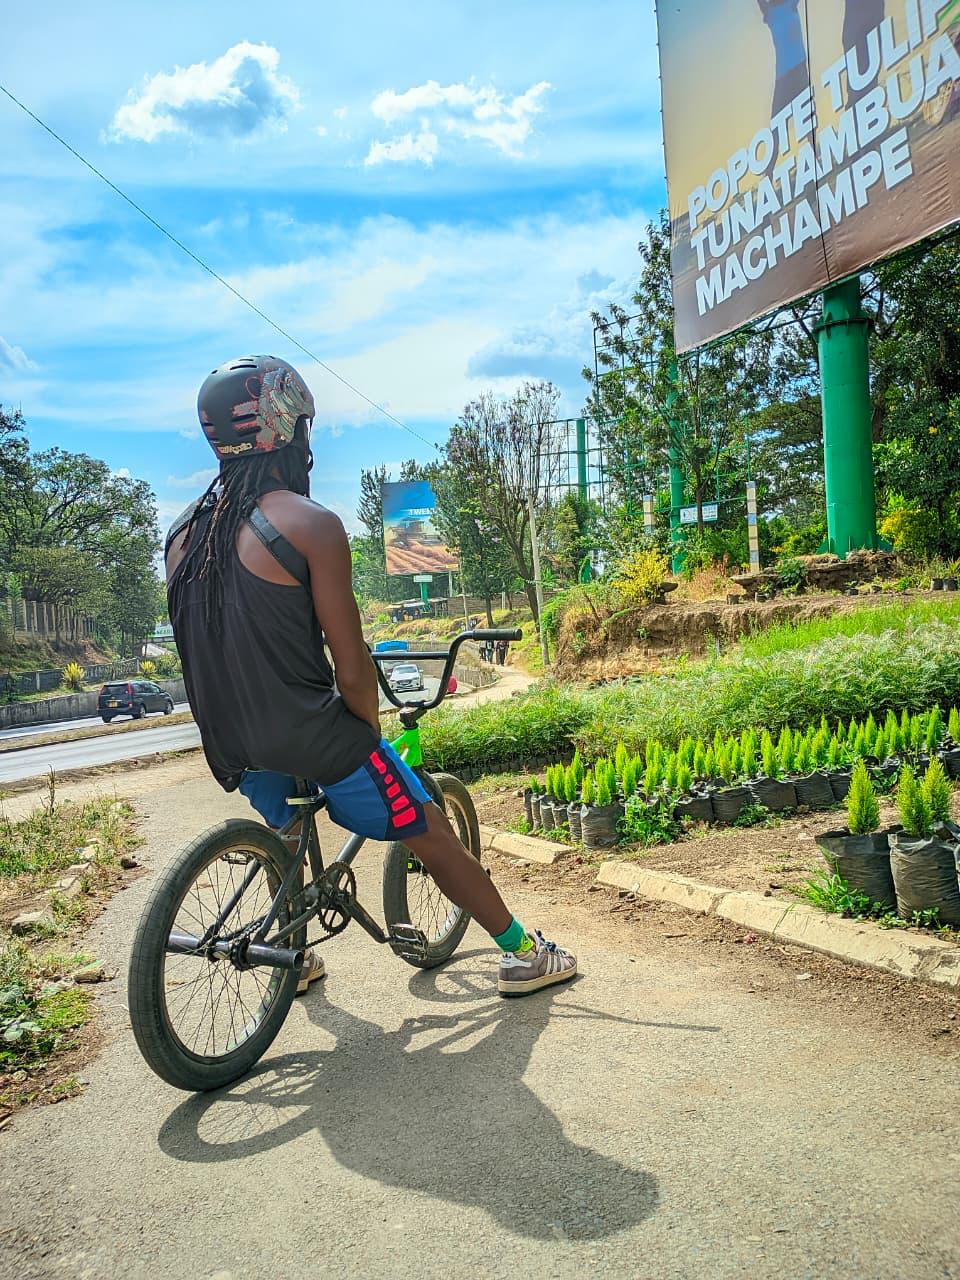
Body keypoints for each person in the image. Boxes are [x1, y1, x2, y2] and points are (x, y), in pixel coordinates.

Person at [165, 355, 576, 998]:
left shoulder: (185, 535)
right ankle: (527, 953)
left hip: (231, 739)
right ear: (287, 429)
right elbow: (351, 663)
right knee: (430, 828)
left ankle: (291, 959)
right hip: (310, 733)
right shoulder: (309, 524)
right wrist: (366, 733)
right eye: (306, 426)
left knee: (291, 829)